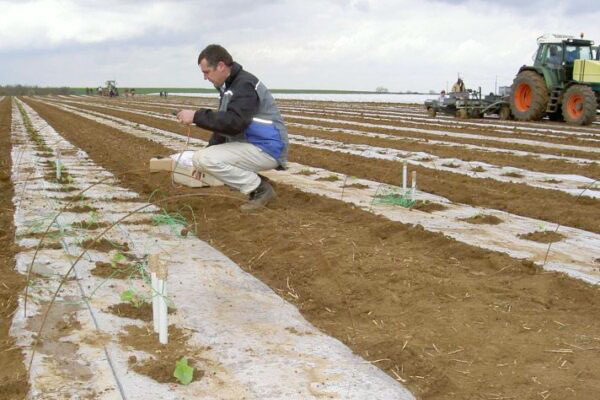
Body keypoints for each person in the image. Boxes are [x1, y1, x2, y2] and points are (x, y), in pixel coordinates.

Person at [177, 44, 288, 211]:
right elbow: (223, 128)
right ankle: (258, 184)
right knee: (202, 159)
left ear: (221, 66)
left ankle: (260, 189)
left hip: (267, 147)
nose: (205, 78)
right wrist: (202, 163)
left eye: (207, 72)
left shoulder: (244, 85)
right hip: (256, 145)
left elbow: (234, 123)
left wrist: (195, 116)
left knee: (204, 158)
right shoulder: (230, 87)